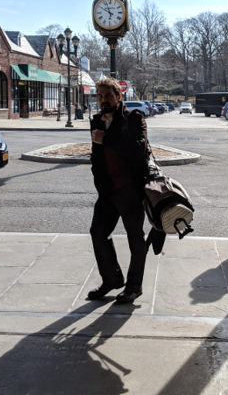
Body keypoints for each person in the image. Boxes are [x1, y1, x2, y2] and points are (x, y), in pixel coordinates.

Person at [88, 78, 149, 303]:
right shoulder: (96, 120)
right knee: (97, 233)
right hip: (107, 191)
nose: (103, 100)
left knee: (135, 238)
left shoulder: (134, 119)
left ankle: (134, 286)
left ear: (119, 97)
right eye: (100, 96)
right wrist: (99, 182)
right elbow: (97, 156)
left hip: (130, 189)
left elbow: (137, 151)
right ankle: (112, 279)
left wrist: (107, 139)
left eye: (108, 96)